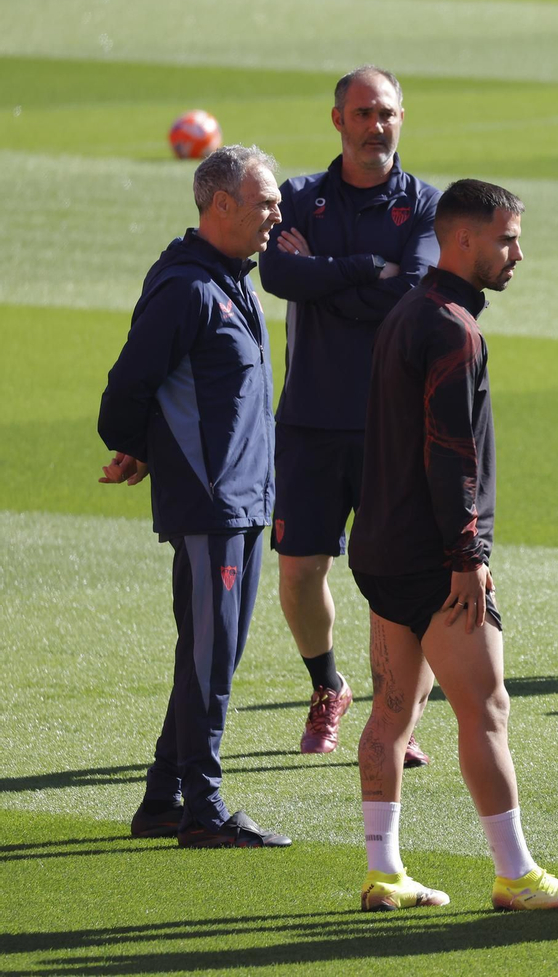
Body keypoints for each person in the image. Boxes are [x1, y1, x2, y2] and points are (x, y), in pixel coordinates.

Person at [346, 179, 558, 912]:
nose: (518, 253)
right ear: (462, 239)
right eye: (507, 238)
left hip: (382, 550)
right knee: (486, 710)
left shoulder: (406, 314)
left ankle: (382, 871)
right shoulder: (454, 328)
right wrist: (469, 557)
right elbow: (450, 450)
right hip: (435, 558)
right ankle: (516, 873)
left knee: (391, 714)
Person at [99, 145, 291, 849]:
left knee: (212, 653)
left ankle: (162, 794)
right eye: (266, 201)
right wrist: (137, 446)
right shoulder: (186, 286)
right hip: (211, 505)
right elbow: (126, 387)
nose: (278, 211)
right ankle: (203, 810)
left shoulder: (231, 279)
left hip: (243, 502)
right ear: (222, 206)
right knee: (211, 657)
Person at [257, 65, 441, 763]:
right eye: (362, 113)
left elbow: (414, 294)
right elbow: (277, 274)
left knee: (393, 576)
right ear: (337, 119)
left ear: (401, 117)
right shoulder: (301, 197)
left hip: (392, 425)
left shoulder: (424, 204)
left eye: (386, 112)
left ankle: (397, 719)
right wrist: (369, 268)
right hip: (308, 420)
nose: (375, 126)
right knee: (300, 573)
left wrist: (327, 273)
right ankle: (328, 685)